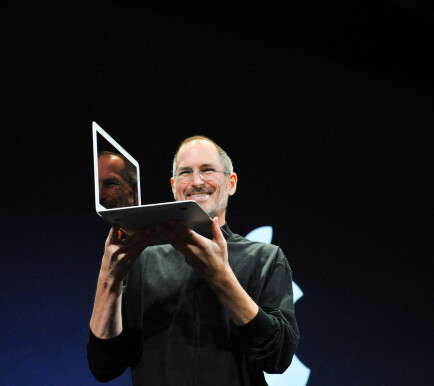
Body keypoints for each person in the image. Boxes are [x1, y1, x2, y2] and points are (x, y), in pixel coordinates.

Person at [87, 136, 299, 385]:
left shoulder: (265, 258)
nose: (197, 182)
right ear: (174, 186)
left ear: (231, 183)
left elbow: (278, 358)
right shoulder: (144, 258)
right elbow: (104, 366)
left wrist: (221, 277)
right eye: (185, 173)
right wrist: (108, 279)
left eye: (207, 170)